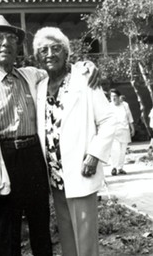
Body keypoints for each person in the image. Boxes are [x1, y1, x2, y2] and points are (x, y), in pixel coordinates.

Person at [0, 15, 99, 256]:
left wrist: (85, 66)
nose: (4, 43)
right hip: (3, 160)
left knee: (41, 229)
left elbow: (59, 66)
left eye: (10, 38)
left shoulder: (33, 76)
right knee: (9, 232)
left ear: (18, 47)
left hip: (34, 157)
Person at [33, 26, 116, 256]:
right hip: (56, 178)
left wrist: (95, 154)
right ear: (37, 57)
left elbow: (109, 120)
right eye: (43, 50)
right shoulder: (39, 86)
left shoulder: (84, 78)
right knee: (67, 241)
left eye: (55, 48)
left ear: (66, 52)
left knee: (86, 244)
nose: (49, 54)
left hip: (80, 172)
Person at [109, 88, 135, 175]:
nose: (113, 98)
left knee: (122, 151)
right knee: (115, 150)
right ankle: (114, 167)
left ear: (119, 97)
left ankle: (120, 168)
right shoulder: (109, 106)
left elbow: (129, 116)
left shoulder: (125, 105)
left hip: (124, 130)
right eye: (112, 96)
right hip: (114, 131)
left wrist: (132, 128)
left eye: (115, 96)